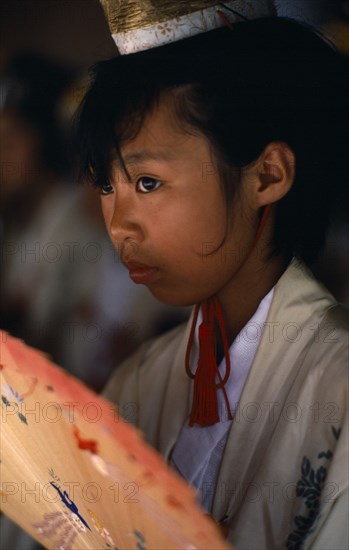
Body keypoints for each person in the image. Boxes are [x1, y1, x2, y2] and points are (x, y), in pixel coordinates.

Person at [76, 11, 348, 550]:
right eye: (107, 185)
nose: (119, 224)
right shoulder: (138, 382)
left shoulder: (337, 386)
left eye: (148, 182)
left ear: (268, 175)